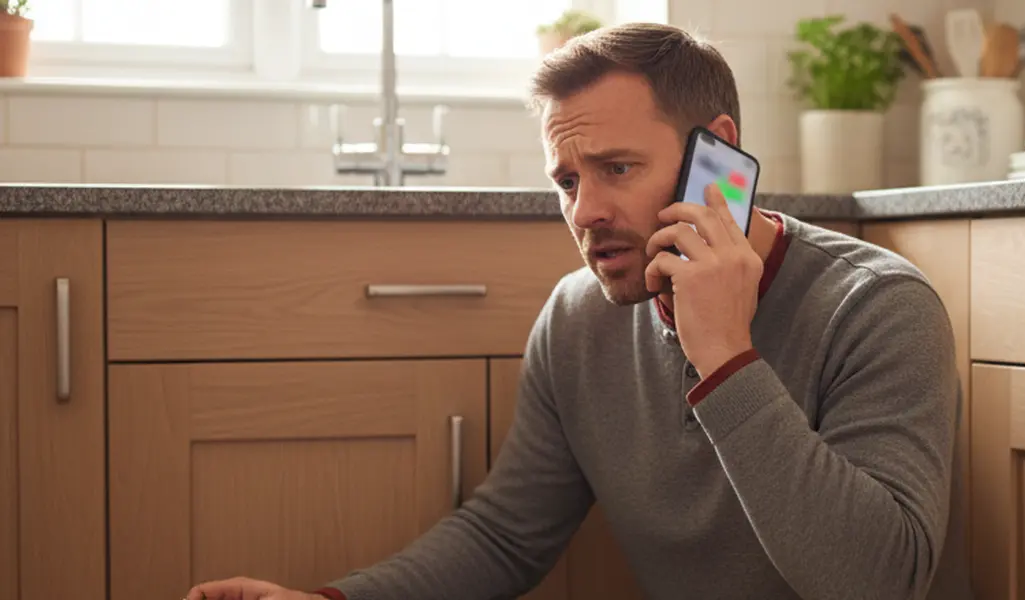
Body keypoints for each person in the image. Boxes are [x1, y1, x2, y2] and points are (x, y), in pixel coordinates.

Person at [187, 21, 969, 600]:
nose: (585, 211)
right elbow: (505, 535)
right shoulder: (579, 320)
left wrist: (726, 356)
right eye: (566, 181)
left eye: (617, 168)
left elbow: (879, 583)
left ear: (717, 156)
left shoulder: (878, 308)